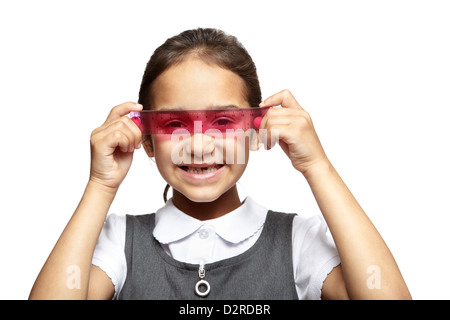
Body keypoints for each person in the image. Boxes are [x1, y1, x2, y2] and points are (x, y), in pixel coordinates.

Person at [29, 28, 411, 300]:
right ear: (145, 139)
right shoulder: (117, 242)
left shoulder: (298, 242)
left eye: (224, 122)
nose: (199, 145)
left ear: (256, 130)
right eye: (174, 124)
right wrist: (101, 185)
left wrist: (318, 166)